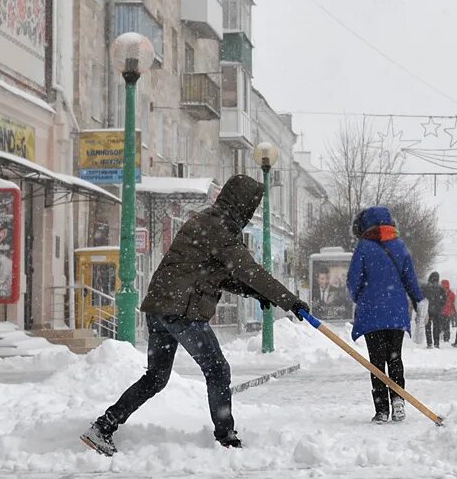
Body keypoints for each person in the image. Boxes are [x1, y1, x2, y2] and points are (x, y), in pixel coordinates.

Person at [81, 175, 308, 456]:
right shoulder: (222, 228)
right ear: (243, 205)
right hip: (181, 311)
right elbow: (250, 271)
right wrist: (290, 300)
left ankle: (103, 426)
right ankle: (226, 437)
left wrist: (258, 294)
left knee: (156, 378)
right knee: (217, 369)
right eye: (252, 207)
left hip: (161, 307)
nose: (251, 213)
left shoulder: (208, 222)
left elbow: (222, 276)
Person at [346, 206, 426, 424]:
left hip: (372, 313)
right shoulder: (400, 247)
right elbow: (411, 280)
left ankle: (381, 409)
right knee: (395, 356)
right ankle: (398, 399)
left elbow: (353, 282)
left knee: (376, 361)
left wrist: (361, 297)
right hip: (397, 312)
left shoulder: (363, 248)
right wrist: (418, 300)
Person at [423, 272, 446, 348]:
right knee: (436, 327)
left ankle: (429, 343)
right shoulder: (440, 287)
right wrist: (440, 304)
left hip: (427, 310)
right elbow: (444, 299)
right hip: (437, 310)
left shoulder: (425, 286)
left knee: (427, 327)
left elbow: (422, 297)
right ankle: (436, 343)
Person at [439, 279, 456, 344]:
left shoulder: (439, 292)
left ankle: (440, 335)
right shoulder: (451, 293)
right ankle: (446, 337)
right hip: (448, 312)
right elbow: (454, 302)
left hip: (440, 311)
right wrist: (454, 310)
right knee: (447, 325)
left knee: (439, 325)